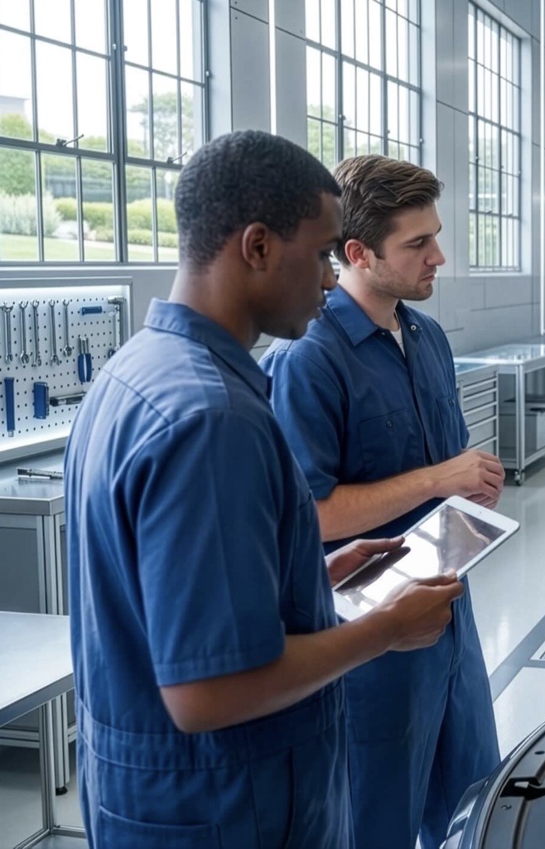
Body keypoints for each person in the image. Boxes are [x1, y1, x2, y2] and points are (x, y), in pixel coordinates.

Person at [63, 131, 465, 848]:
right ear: (257, 247)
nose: (330, 280)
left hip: (163, 794)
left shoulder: (138, 372)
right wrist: (385, 628)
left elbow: (174, 593)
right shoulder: (211, 418)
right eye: (322, 255)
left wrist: (306, 575)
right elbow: (207, 691)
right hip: (221, 807)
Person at [261, 154, 502, 849]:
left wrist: (470, 483)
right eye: (417, 244)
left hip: (448, 614)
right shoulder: (309, 358)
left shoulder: (427, 338)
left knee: (473, 807)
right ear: (358, 253)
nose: (439, 257)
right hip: (369, 641)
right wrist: (437, 479)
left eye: (436, 236)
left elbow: (448, 468)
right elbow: (308, 516)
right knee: (376, 821)